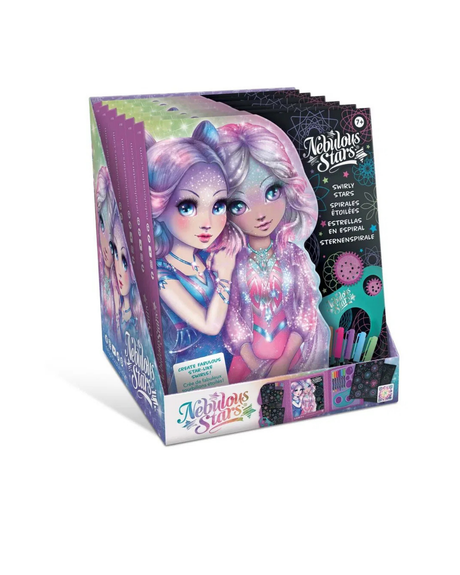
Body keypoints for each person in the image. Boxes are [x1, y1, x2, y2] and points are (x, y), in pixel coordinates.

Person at [217, 122, 330, 383]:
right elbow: (231, 317)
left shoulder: (293, 256)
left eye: (272, 191)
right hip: (248, 365)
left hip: (295, 359)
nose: (261, 214)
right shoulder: (231, 261)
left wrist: (284, 361)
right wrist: (256, 365)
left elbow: (306, 309)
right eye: (238, 204)